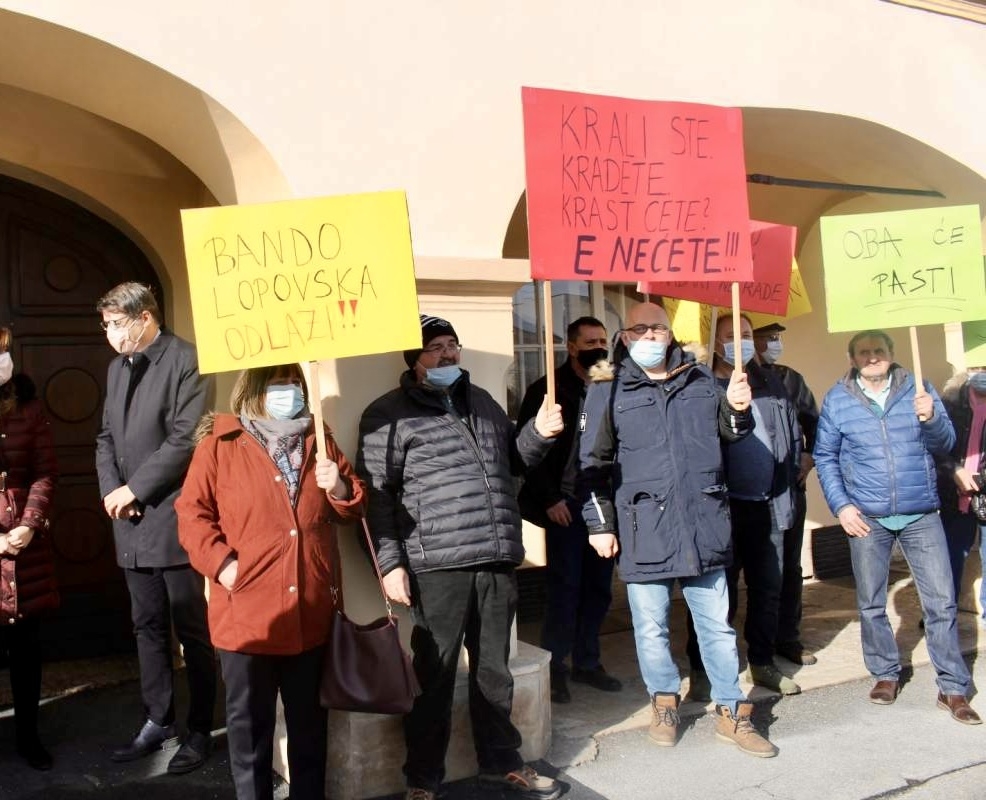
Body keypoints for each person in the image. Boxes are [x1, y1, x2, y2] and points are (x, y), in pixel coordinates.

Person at [356, 314, 565, 800]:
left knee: (494, 672)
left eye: (452, 344)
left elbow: (513, 461)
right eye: (435, 347)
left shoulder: (484, 401)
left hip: (494, 557)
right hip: (436, 565)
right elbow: (377, 497)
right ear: (415, 358)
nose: (448, 353)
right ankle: (422, 780)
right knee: (434, 675)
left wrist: (539, 433)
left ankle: (501, 763)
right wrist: (390, 564)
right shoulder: (387, 414)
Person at [578, 301, 777, 757]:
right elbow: (591, 464)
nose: (650, 336)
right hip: (644, 526)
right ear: (625, 337)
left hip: (703, 522)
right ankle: (664, 701)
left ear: (671, 334)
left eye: (658, 329)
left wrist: (738, 409)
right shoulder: (607, 389)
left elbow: (732, 433)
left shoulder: (701, 378)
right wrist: (599, 524)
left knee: (717, 628)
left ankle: (731, 710)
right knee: (651, 629)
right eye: (640, 329)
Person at [177, 363, 365, 800]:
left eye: (295, 382)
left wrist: (339, 487)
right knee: (249, 733)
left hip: (310, 614)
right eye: (279, 383)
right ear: (255, 390)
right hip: (247, 620)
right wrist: (224, 566)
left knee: (310, 731)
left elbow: (354, 507)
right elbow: (191, 515)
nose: (290, 391)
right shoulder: (220, 444)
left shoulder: (320, 438)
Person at [814, 329, 980, 723]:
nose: (872, 357)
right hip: (866, 517)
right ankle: (885, 673)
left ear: (891, 354)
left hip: (921, 513)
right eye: (864, 352)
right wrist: (842, 507)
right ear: (853, 359)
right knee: (871, 602)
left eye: (879, 351)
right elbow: (825, 456)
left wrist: (931, 417)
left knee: (941, 602)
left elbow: (945, 443)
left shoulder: (918, 389)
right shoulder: (838, 399)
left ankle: (953, 687)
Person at [94, 282, 218, 771]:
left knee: (191, 628)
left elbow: (187, 438)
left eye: (116, 324)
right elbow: (106, 436)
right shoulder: (117, 367)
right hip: (127, 518)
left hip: (172, 515)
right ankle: (158, 719)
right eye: (106, 325)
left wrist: (136, 489)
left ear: (145, 317)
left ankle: (201, 729)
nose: (110, 334)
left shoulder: (186, 359)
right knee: (146, 625)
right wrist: (113, 490)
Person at [686, 314, 802, 696]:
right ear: (716, 342)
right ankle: (705, 669)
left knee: (768, 589)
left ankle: (762, 662)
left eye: (747, 334)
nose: (741, 341)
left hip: (769, 503)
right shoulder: (701, 385)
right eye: (731, 335)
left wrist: (795, 468)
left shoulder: (770, 381)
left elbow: (790, 432)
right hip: (722, 509)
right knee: (717, 595)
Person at [517, 316, 621, 704]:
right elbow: (528, 450)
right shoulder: (547, 389)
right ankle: (556, 667)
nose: (599, 347)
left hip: (603, 502)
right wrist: (549, 499)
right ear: (571, 347)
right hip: (565, 504)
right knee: (565, 589)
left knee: (598, 589)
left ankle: (587, 662)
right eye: (590, 342)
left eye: (603, 340)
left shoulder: (611, 383)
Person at [0, 327, 59, 770]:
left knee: (26, 649)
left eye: (3, 351)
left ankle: (28, 736)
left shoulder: (29, 406)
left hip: (25, 547)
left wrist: (29, 524)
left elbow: (44, 471)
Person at [753, 321, 820, 666]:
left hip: (788, 490)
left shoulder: (790, 379)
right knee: (751, 574)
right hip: (744, 495)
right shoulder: (726, 380)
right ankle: (751, 646)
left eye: (777, 337)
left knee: (788, 569)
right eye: (767, 337)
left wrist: (809, 456)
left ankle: (787, 637)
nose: (774, 343)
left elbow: (815, 425)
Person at [936, 364, 986, 617]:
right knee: (951, 554)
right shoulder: (950, 401)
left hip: (983, 488)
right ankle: (943, 613)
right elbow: (936, 446)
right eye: (977, 367)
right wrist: (954, 470)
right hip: (953, 491)